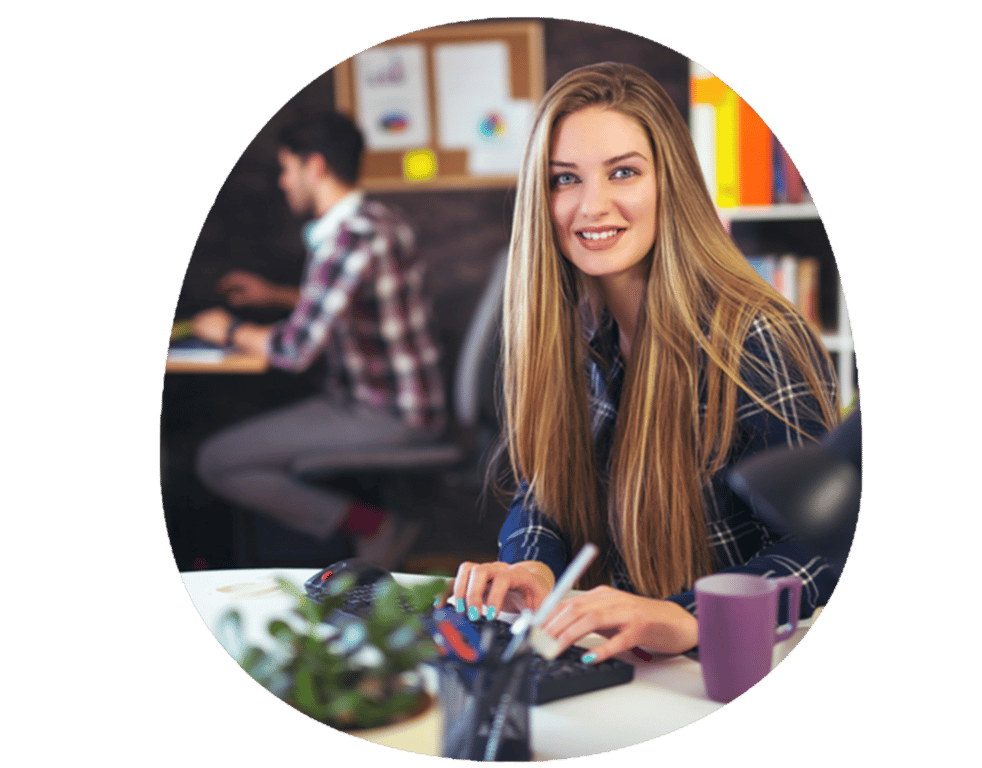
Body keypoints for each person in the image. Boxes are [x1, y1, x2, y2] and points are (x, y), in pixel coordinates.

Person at [447, 63, 841, 663]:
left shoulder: (753, 338)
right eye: (564, 179)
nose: (591, 205)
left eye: (623, 172)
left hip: (731, 669)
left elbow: (824, 548)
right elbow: (545, 489)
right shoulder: (578, 331)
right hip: (635, 665)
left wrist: (685, 616)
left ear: (670, 183)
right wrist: (533, 563)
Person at [190, 109, 446, 568]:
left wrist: (225, 328)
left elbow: (294, 350)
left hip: (387, 411)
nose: (283, 182)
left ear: (316, 166)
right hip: (394, 399)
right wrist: (274, 294)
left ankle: (376, 526)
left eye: (287, 169)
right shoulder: (379, 217)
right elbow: (352, 298)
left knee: (216, 461)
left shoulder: (352, 238)